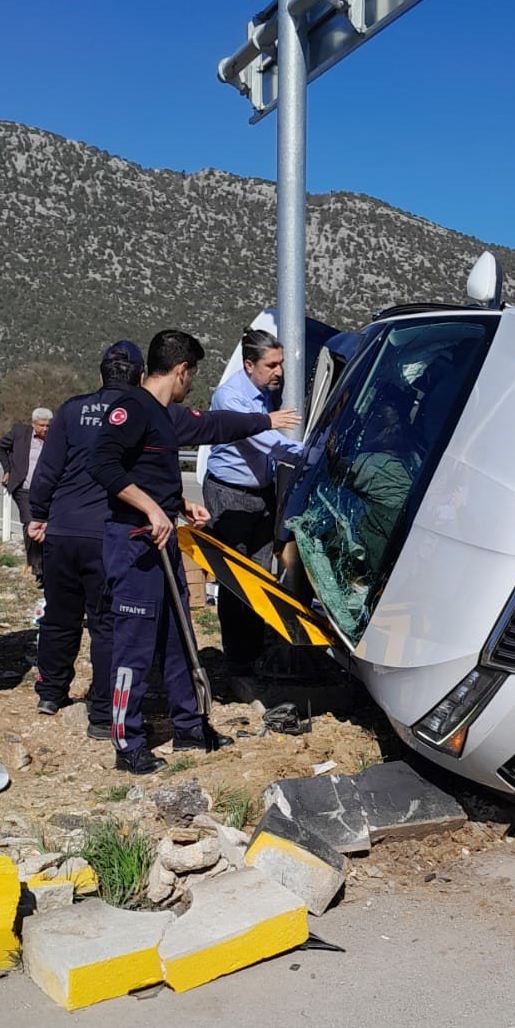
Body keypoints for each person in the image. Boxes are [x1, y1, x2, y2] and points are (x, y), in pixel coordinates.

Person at [90, 329, 300, 775]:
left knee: (179, 638)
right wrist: (152, 507)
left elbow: (215, 426)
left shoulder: (166, 415)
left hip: (164, 539)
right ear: (182, 370)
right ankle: (127, 742)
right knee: (133, 646)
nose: (193, 383)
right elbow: (102, 464)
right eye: (193, 374)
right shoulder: (131, 409)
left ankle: (189, 725)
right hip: (134, 544)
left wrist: (178, 504)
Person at [27, 341, 145, 733]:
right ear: (139, 376)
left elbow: (47, 469)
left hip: (62, 530)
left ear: (101, 375)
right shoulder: (139, 413)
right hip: (106, 534)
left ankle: (51, 692)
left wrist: (39, 514)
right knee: (105, 624)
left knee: (59, 616)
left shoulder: (72, 409)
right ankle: (102, 714)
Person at [202, 329, 303, 679]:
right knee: (234, 579)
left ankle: (255, 650)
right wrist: (311, 456)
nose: (279, 372)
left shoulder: (266, 393)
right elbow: (265, 442)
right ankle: (238, 660)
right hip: (230, 495)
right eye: (271, 365)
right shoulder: (231, 397)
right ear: (249, 365)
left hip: (261, 494)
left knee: (259, 575)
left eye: (281, 364)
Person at [0, 406, 54, 583]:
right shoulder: (19, 433)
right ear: (33, 424)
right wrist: (7, 469)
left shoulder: (55, 437)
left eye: (48, 425)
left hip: (46, 489)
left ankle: (47, 563)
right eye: (42, 425)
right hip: (23, 488)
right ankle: (36, 566)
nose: (45, 429)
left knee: (46, 524)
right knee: (29, 522)